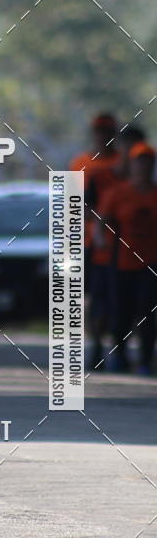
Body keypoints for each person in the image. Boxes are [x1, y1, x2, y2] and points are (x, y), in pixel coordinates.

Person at [98, 141, 157, 374]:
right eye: (139, 162)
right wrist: (101, 240)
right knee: (120, 311)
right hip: (121, 261)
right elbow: (100, 222)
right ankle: (119, 357)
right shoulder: (118, 193)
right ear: (132, 165)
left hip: (150, 263)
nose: (143, 167)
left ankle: (145, 360)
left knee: (147, 312)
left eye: (148, 162)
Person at [69, 113, 119, 369]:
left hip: (119, 244)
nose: (103, 136)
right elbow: (70, 204)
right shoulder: (80, 163)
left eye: (108, 131)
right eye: (99, 131)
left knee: (114, 298)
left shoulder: (123, 164)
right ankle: (96, 344)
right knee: (91, 297)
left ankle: (114, 346)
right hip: (88, 242)